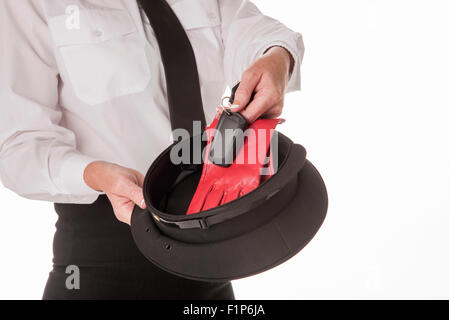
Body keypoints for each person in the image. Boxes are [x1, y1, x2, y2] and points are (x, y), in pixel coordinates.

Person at [0, 0, 304, 299]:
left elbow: (257, 33)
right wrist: (94, 175)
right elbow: (18, 146)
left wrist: (276, 59)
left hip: (208, 254)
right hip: (100, 260)